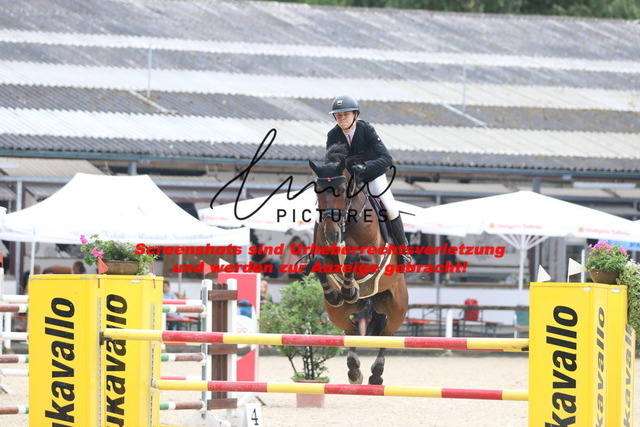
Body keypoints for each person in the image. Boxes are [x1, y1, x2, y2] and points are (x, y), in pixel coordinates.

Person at [326, 95, 410, 263]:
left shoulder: (366, 130)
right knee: (322, 210)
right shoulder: (333, 135)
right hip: (349, 182)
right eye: (338, 115)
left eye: (346, 114)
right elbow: (330, 163)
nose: (342, 118)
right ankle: (317, 250)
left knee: (390, 207)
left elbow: (386, 158)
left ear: (355, 115)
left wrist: (365, 166)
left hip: (373, 176)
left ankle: (403, 251)